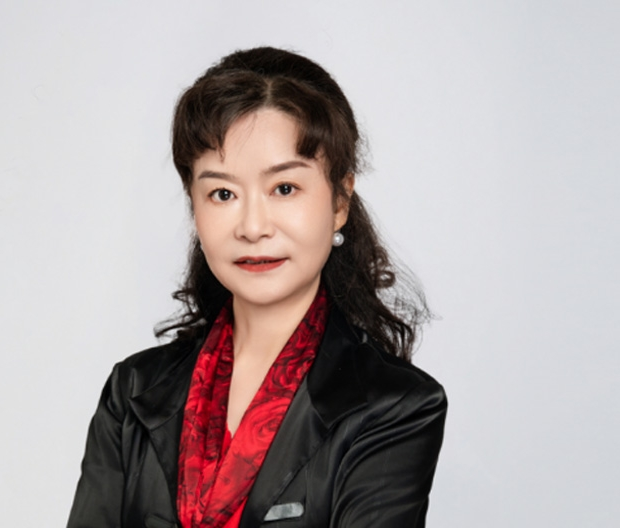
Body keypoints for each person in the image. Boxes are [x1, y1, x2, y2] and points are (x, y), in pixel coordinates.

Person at [67, 46, 447, 528]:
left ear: (340, 202)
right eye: (222, 193)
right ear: (194, 207)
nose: (252, 226)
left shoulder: (397, 406)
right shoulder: (134, 392)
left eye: (284, 189)